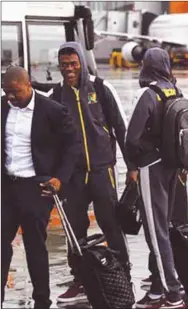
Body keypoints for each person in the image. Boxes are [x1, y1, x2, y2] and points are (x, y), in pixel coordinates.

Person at [48, 42, 135, 303]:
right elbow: (51, 138)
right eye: (64, 65)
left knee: (110, 223)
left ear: (82, 64)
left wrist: (132, 167)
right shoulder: (56, 95)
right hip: (73, 175)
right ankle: (80, 280)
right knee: (74, 228)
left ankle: (123, 275)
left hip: (102, 169)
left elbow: (121, 127)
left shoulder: (101, 88)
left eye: (73, 64)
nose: (69, 69)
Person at [1, 66, 80, 309]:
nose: (11, 97)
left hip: (36, 189)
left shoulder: (51, 110)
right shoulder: (3, 107)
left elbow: (73, 145)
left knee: (35, 246)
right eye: (7, 92)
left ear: (29, 85)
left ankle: (42, 302)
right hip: (6, 188)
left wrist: (59, 178)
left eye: (16, 92)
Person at [125, 47, 187, 309]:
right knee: (162, 226)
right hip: (174, 165)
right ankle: (158, 289)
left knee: (156, 230)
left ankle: (172, 292)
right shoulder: (177, 91)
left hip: (152, 167)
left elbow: (131, 138)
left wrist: (134, 164)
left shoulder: (148, 94)